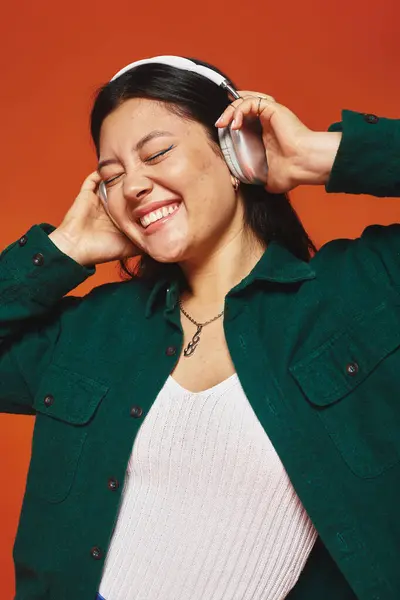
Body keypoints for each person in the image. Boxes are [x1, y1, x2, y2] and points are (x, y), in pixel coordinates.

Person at [1, 55, 399, 600]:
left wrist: (317, 154)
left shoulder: (357, 294)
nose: (134, 186)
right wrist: (63, 250)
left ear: (234, 150)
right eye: (111, 177)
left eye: (157, 152)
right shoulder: (93, 332)